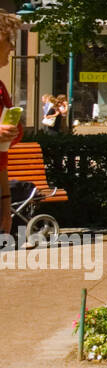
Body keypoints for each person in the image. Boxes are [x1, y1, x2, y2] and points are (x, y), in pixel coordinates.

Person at [0, 12, 25, 236]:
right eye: (9, 40)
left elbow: (2, 155)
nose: (12, 47)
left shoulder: (0, 89)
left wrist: (6, 205)